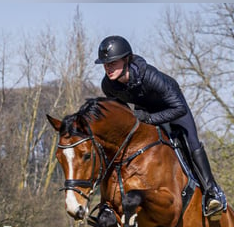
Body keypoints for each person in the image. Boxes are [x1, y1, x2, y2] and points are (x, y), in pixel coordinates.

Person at [95, 35, 226, 217]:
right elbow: (122, 116)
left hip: (173, 108)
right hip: (145, 111)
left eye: (112, 63)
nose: (108, 68)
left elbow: (178, 108)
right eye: (105, 64)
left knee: (192, 142)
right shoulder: (108, 86)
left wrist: (148, 119)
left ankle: (212, 192)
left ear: (126, 60)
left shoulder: (149, 76)